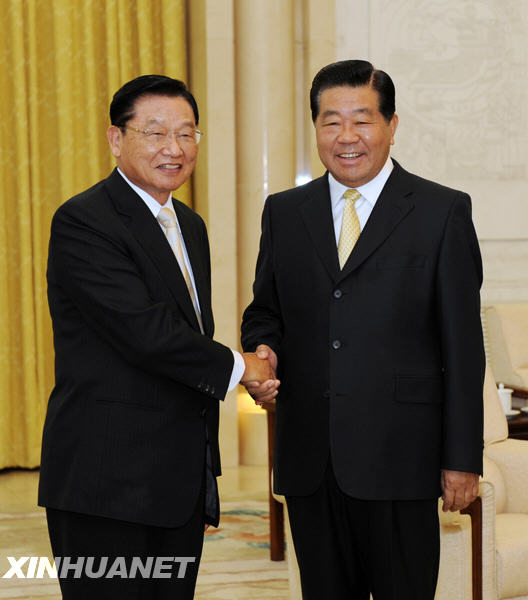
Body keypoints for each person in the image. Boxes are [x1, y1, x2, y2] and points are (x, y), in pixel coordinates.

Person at [241, 60, 485, 600]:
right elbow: (265, 311)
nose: (346, 137)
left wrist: (462, 459)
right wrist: (264, 349)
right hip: (310, 460)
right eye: (331, 122)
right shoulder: (284, 212)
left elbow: (464, 348)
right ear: (316, 127)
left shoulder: (441, 211)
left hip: (402, 459)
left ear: (391, 125)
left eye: (362, 120)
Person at [38, 74, 274, 600]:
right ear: (115, 139)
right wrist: (244, 368)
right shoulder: (85, 221)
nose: (175, 148)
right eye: (156, 133)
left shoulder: (188, 225)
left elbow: (189, 337)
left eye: (187, 133)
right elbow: (145, 332)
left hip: (175, 482)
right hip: (106, 483)